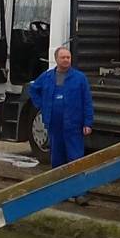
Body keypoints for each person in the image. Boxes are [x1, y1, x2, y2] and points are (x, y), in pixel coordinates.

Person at [28, 46, 94, 204]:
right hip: (54, 125)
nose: (66, 60)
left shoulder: (79, 78)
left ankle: (79, 193)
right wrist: (42, 105)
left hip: (74, 125)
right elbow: (33, 89)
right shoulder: (47, 77)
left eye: (68, 57)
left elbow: (87, 102)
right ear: (56, 59)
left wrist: (88, 122)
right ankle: (59, 192)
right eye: (63, 57)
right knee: (57, 159)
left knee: (76, 159)